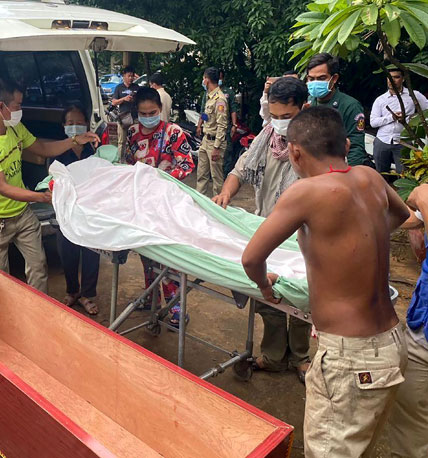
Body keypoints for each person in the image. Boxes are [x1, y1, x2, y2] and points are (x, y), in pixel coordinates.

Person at [242, 106, 409, 458]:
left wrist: (265, 286)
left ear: (295, 151)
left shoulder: (307, 192)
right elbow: (401, 217)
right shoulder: (371, 177)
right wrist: (354, 247)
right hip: (393, 341)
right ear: (346, 145)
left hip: (351, 356)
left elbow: (252, 258)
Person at [213, 77, 311, 383]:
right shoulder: (267, 138)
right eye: (276, 116)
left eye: (287, 117)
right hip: (267, 225)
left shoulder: (316, 144)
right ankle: (273, 356)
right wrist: (226, 192)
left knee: (297, 297)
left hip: (302, 235)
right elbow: (241, 168)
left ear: (303, 109)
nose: (280, 124)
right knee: (267, 299)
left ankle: (300, 356)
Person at [0, 78, 99, 294]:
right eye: (18, 105)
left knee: (38, 267)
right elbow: (2, 187)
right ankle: (8, 320)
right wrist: (40, 197)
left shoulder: (15, 128)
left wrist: (76, 140)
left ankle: (39, 311)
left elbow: (42, 148)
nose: (21, 110)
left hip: (21, 213)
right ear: (2, 107)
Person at [125, 87, 195, 325]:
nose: (148, 117)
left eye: (152, 112)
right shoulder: (133, 132)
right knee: (145, 252)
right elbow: (128, 163)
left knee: (166, 256)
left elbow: (186, 164)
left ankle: (175, 306)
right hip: (142, 203)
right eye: (143, 113)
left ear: (161, 109)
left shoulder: (173, 132)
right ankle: (150, 297)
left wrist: (161, 177)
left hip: (166, 203)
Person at [389, 187, 428, 458]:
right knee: (410, 426)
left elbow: (420, 196)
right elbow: (411, 216)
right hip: (421, 331)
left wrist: (424, 199)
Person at [55, 104, 101, 315]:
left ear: (87, 125)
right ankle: (72, 290)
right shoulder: (58, 151)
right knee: (68, 252)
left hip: (91, 209)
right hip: (66, 210)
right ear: (63, 126)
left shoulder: (96, 150)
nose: (75, 127)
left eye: (79, 123)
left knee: (92, 252)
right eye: (70, 123)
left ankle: (87, 294)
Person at [307, 52, 371, 167]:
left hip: (338, 167)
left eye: (321, 78)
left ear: (334, 78)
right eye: (311, 79)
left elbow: (355, 145)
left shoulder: (350, 106)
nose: (315, 83)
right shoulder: (308, 102)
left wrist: (350, 176)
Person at [371, 69, 428, 181]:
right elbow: (373, 122)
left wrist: (415, 120)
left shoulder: (414, 95)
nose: (392, 80)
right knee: (380, 176)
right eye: (389, 77)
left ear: (403, 79)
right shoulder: (380, 100)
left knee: (405, 176)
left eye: (396, 77)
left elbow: (427, 112)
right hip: (383, 139)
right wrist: (391, 117)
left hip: (404, 140)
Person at [195, 67, 228, 197]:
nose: (203, 81)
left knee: (217, 178)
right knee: (201, 175)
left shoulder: (219, 99)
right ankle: (199, 203)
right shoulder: (209, 97)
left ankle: (219, 208)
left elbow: (222, 125)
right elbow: (208, 116)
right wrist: (200, 124)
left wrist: (216, 147)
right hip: (205, 140)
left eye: (204, 78)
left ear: (207, 80)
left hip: (215, 143)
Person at [111, 66, 140, 158]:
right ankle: (121, 160)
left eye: (132, 76)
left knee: (137, 139)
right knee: (121, 141)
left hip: (135, 117)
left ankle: (136, 159)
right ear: (124, 76)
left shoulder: (136, 87)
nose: (131, 78)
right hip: (123, 117)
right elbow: (114, 102)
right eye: (129, 76)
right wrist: (124, 99)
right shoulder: (119, 88)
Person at [218, 69, 240, 175]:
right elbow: (203, 110)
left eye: (220, 77)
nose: (219, 80)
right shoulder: (208, 93)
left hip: (226, 126)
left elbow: (233, 109)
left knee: (227, 151)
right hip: (213, 128)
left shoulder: (228, 92)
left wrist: (234, 125)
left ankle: (226, 174)